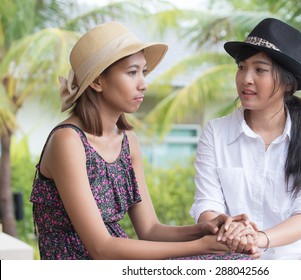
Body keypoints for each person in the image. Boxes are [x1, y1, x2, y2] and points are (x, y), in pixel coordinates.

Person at [29, 22, 257, 260]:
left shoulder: (128, 141)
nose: (143, 83)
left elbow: (150, 230)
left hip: (120, 263)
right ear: (97, 82)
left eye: (143, 72)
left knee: (238, 262)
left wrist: (205, 229)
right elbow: (101, 248)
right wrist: (204, 246)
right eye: (132, 72)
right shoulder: (68, 141)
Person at [190, 18, 301, 260]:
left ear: (287, 82)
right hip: (230, 256)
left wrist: (260, 238)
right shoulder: (216, 132)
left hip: (293, 260)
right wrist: (232, 235)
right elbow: (207, 205)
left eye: (260, 69)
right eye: (242, 67)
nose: (246, 79)